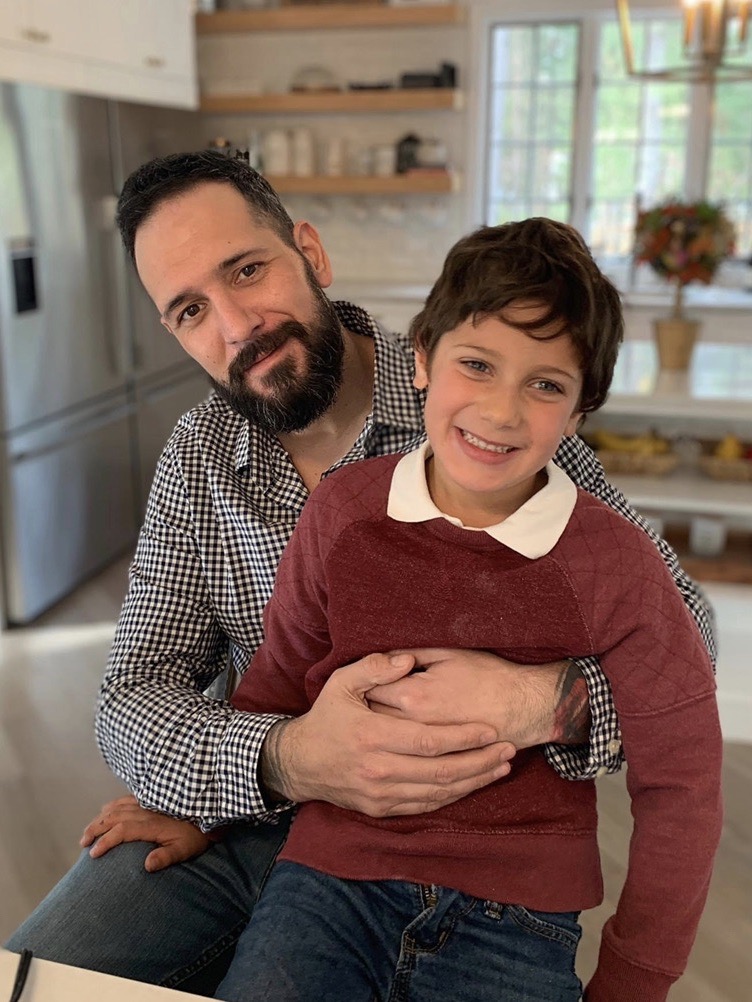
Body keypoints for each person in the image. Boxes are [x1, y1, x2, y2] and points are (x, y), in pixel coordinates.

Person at [5, 153, 715, 994]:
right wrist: (271, 763)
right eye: (192, 309)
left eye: (247, 269)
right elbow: (133, 695)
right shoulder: (197, 460)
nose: (236, 325)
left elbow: (686, 633)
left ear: (309, 250)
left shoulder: (483, 403)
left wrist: (539, 702)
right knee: (39, 978)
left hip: (487, 852)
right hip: (261, 819)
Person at [215, 218, 722, 1002]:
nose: (502, 410)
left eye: (545, 385)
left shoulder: (617, 563)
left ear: (581, 409)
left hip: (519, 916)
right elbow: (278, 682)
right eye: (477, 365)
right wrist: (196, 812)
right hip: (329, 883)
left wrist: (636, 976)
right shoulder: (343, 513)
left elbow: (683, 782)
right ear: (421, 358)